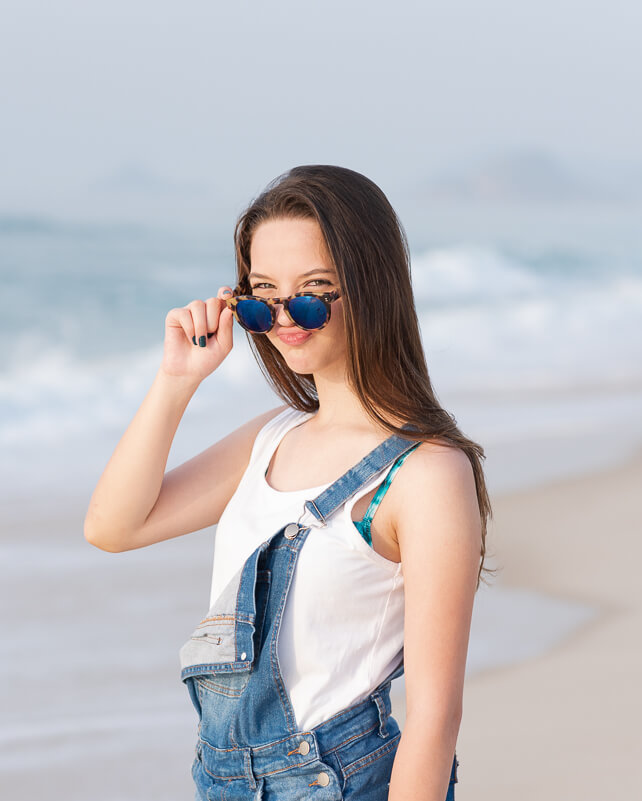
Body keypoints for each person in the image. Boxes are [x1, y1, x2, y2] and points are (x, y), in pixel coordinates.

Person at [84, 165, 491, 800]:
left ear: (372, 287)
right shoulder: (270, 437)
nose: (283, 318)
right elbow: (113, 527)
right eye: (260, 297)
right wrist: (177, 379)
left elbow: (435, 719)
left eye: (311, 293)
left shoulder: (425, 473)